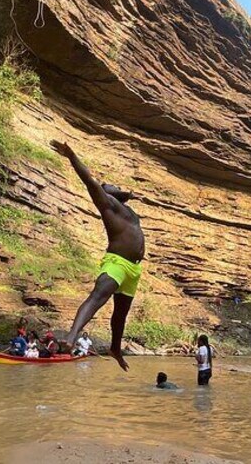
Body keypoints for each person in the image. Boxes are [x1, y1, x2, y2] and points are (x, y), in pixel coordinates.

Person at [51, 140, 145, 372]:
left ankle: (115, 348)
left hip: (133, 269)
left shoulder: (127, 211)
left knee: (121, 314)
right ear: (105, 194)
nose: (112, 185)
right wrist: (71, 155)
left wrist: (127, 194)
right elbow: (90, 181)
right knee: (97, 297)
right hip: (117, 263)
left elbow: (122, 193)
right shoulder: (107, 204)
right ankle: (72, 337)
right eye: (109, 186)